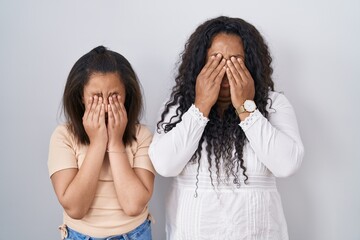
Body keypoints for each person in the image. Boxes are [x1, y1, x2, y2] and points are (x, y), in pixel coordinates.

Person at [149, 16, 304, 239]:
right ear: (201, 64)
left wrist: (246, 108)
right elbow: (165, 165)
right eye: (216, 60)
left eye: (236, 61)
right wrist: (201, 106)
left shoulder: (273, 105)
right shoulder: (177, 107)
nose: (225, 71)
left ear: (250, 66)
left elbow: (287, 165)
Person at [48, 46, 155, 240]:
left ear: (127, 95)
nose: (105, 106)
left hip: (136, 234)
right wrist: (98, 143)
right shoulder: (63, 135)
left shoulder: (142, 135)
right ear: (81, 96)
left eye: (114, 96)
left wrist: (115, 143)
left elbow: (133, 206)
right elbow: (75, 208)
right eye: (96, 97)